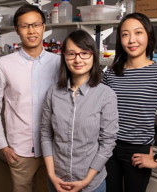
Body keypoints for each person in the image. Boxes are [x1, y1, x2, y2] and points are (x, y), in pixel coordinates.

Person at [103, 13, 157, 192]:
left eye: (138, 33)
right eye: (125, 34)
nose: (131, 40)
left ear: (148, 36)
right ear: (120, 40)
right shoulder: (111, 73)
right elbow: (96, 111)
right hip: (107, 147)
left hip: (137, 151)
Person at [0, 4, 60, 192]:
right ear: (17, 30)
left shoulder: (59, 62)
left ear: (44, 27)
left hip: (54, 147)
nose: (31, 31)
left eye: (36, 24)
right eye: (25, 26)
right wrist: (3, 145)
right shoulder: (3, 65)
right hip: (20, 150)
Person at [40, 30, 119, 192]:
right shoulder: (53, 92)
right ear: (64, 57)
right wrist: (52, 175)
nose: (78, 59)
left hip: (91, 184)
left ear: (93, 56)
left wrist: (86, 181)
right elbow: (46, 134)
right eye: (71, 54)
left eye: (84, 53)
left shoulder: (106, 95)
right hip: (57, 180)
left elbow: (108, 143)